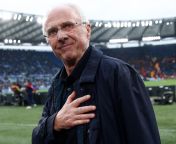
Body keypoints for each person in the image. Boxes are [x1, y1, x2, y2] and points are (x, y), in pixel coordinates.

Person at [32, 3, 161, 144]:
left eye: (68, 25)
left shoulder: (119, 74)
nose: (61, 36)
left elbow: (144, 138)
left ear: (87, 30)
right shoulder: (56, 85)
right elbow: (37, 138)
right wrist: (55, 123)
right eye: (52, 31)